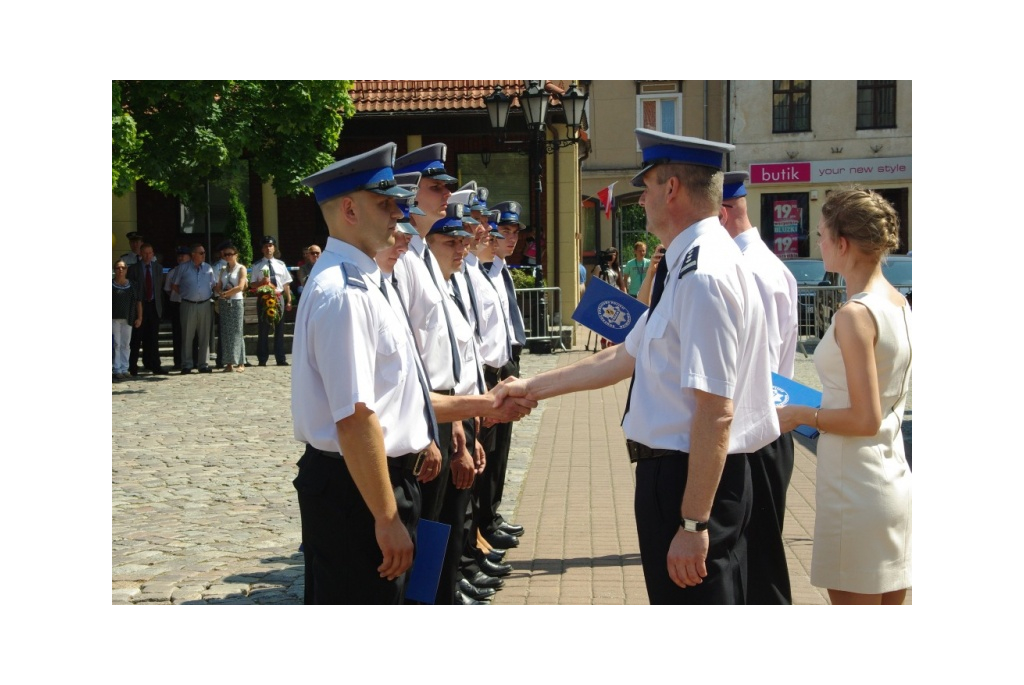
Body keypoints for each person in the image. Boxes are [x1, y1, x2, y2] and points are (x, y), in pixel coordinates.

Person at [496, 129, 779, 604]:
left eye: (645, 186)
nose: (641, 199)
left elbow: (716, 411)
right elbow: (628, 353)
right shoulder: (688, 263)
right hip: (681, 476)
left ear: (671, 189)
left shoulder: (703, 274)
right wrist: (532, 387)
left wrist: (692, 524)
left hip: (690, 480)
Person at [291, 144, 534, 604]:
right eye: (385, 204)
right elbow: (355, 416)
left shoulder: (368, 282)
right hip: (358, 487)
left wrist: (484, 404)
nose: (398, 213)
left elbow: (404, 395)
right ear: (348, 209)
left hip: (377, 477)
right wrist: (385, 518)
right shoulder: (345, 292)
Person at [776, 188, 912, 605]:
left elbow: (863, 417)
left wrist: (800, 413)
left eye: (820, 235)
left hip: (856, 486)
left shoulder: (855, 315)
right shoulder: (898, 302)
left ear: (842, 243)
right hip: (891, 478)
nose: (818, 245)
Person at [719, 170, 799, 604]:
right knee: (755, 551)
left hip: (755, 428)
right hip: (767, 425)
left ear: (723, 213)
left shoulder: (748, 270)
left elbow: (756, 367)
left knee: (759, 559)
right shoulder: (768, 263)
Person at [479, 200, 528, 550]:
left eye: (514, 233)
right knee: (483, 451)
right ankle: (481, 524)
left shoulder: (499, 270)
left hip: (506, 362)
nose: (510, 239)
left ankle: (490, 515)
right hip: (486, 372)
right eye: (504, 232)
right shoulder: (477, 273)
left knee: (500, 452)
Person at [171, 243, 216, 374]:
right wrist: (186, 294)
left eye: (204, 253)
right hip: (188, 304)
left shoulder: (208, 268)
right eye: (201, 253)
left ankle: (203, 364)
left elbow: (213, 285)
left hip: (205, 304)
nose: (204, 255)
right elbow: (174, 285)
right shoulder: (182, 268)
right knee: (187, 335)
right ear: (193, 255)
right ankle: (186, 364)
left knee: (204, 335)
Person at [127, 243, 168, 375]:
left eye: (150, 253)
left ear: (153, 254)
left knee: (153, 338)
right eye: (145, 253)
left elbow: (159, 289)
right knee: (136, 338)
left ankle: (154, 365)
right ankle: (132, 366)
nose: (147, 256)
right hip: (139, 306)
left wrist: (160, 309)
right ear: (140, 254)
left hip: (154, 306)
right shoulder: (134, 269)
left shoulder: (158, 268)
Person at [251, 236, 293, 367]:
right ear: (262, 249)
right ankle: (262, 358)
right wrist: (260, 283)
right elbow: (252, 284)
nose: (268, 248)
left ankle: (280, 358)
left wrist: (289, 300)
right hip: (264, 297)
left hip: (278, 296)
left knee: (280, 329)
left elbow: (286, 284)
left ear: (274, 248)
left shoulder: (281, 265)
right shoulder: (257, 265)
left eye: (270, 246)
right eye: (265, 246)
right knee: (263, 329)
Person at [214, 243, 248, 372]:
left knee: (237, 331)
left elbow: (240, 286)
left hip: (236, 302)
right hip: (224, 302)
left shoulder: (241, 268)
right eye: (225, 254)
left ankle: (241, 362)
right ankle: (229, 363)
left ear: (236, 255)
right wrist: (219, 291)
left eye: (230, 254)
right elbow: (219, 284)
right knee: (226, 332)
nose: (228, 256)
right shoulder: (223, 269)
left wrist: (226, 294)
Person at [163, 246, 193, 370]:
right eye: (179, 256)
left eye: (183, 255)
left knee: (192, 334)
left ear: (189, 257)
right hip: (177, 304)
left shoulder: (193, 270)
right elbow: (168, 290)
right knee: (178, 334)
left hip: (191, 304)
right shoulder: (172, 272)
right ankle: (178, 361)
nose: (181, 258)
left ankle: (193, 360)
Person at [112, 260, 142, 380]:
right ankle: (116, 368)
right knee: (116, 344)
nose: (121, 270)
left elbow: (138, 302)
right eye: (118, 268)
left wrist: (139, 317)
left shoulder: (133, 285)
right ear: (114, 270)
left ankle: (125, 368)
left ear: (126, 270)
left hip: (128, 318)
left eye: (123, 268)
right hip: (113, 319)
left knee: (126, 344)